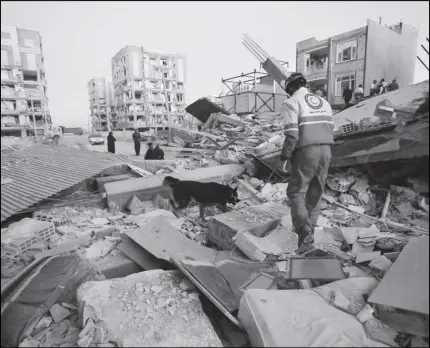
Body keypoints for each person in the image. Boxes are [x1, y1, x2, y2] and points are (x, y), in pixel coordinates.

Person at [278, 73, 334, 254]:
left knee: (295, 192)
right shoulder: (324, 102)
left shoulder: (291, 102)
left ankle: (305, 233)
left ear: (290, 88)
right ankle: (310, 232)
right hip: (326, 150)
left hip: (306, 151)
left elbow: (292, 134)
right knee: (316, 191)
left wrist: (285, 156)